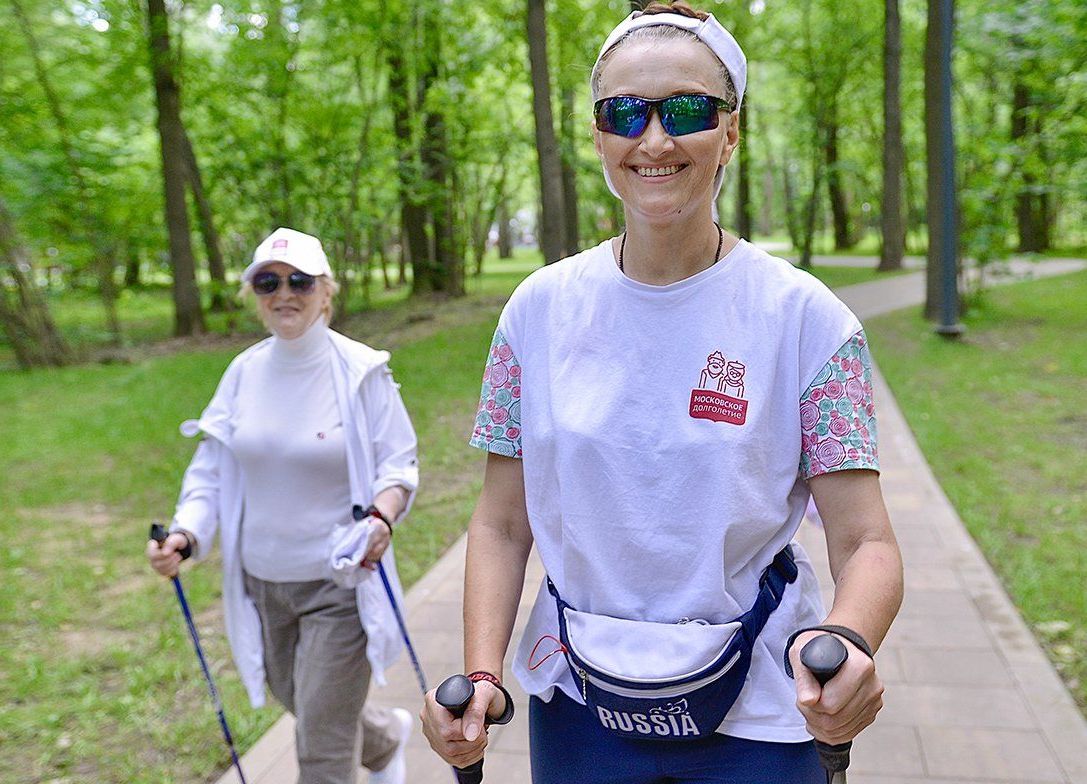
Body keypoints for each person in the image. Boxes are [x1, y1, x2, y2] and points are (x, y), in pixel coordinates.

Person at [420, 3, 903, 782]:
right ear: (597, 135)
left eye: (685, 110)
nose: (653, 139)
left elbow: (866, 542)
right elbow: (502, 522)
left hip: (759, 707)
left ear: (731, 131)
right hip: (580, 706)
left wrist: (848, 640)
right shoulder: (534, 314)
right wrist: (481, 675)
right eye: (623, 114)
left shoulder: (809, 320)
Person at [147, 227, 419, 784]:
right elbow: (210, 471)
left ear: (326, 292)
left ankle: (368, 749)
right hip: (263, 583)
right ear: (253, 294)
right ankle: (385, 740)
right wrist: (186, 535)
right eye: (268, 282)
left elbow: (399, 466)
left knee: (319, 746)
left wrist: (383, 517)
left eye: (300, 280)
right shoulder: (243, 373)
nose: (284, 293)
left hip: (337, 582)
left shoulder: (362, 369)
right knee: (299, 697)